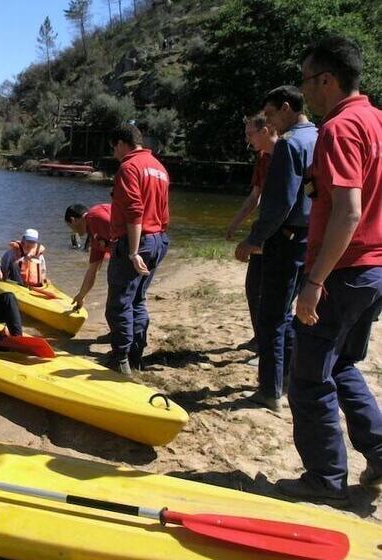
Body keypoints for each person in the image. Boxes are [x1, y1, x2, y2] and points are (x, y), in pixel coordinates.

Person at [274, 36, 382, 506]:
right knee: (340, 363)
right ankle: (379, 453)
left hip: (342, 271)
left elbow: (348, 211)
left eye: (306, 81)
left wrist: (314, 281)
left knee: (309, 376)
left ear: (326, 80)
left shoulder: (339, 129)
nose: (304, 91)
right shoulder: (377, 121)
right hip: (372, 270)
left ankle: (324, 480)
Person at [234, 86, 318, 411]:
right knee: (289, 313)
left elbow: (280, 202)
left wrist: (253, 239)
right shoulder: (319, 137)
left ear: (286, 108)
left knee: (271, 316)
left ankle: (270, 391)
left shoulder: (289, 144)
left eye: (269, 115)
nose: (268, 123)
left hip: (285, 239)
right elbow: (314, 191)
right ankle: (287, 381)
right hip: (309, 237)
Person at [105, 123, 170, 375]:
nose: (114, 154)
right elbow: (163, 213)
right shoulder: (159, 168)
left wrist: (132, 251)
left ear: (122, 143)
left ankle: (120, 360)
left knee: (119, 302)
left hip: (137, 241)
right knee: (138, 299)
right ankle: (135, 355)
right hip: (158, 239)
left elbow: (134, 212)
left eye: (114, 148)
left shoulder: (129, 167)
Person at [225, 113, 279, 350]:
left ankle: (269, 344)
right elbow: (254, 197)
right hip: (263, 232)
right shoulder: (262, 158)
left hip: (280, 234)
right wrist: (235, 224)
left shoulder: (287, 155)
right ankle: (260, 338)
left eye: (250, 134)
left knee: (270, 293)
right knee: (253, 287)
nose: (247, 140)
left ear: (265, 130)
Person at [64, 203, 112, 312]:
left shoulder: (95, 216)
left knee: (118, 301)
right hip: (136, 254)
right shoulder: (94, 238)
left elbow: (125, 229)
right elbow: (93, 270)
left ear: (73, 220)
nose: (73, 231)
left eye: (69, 226)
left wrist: (134, 256)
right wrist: (81, 296)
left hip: (141, 249)